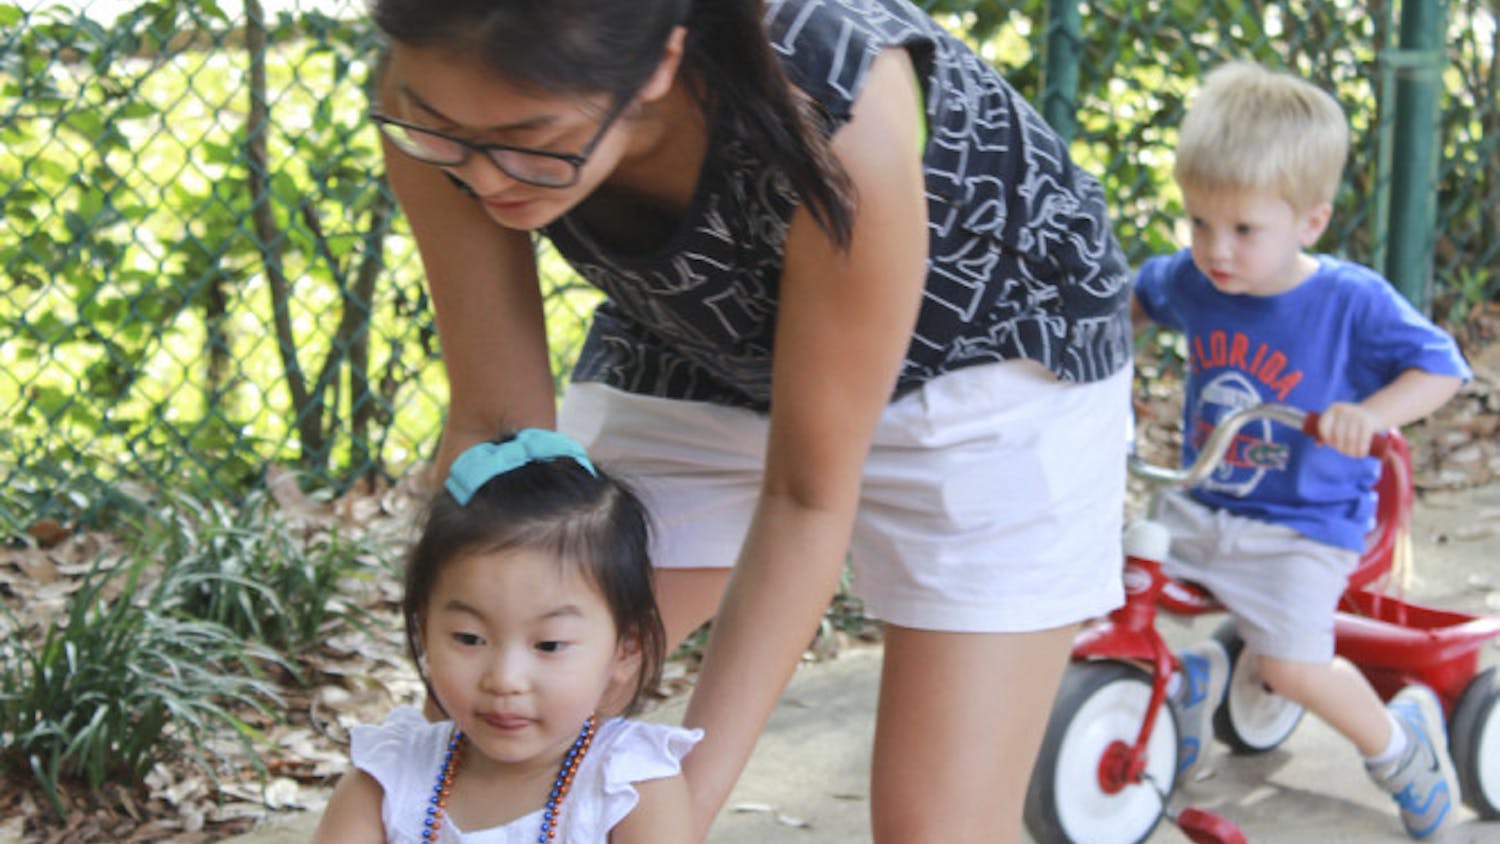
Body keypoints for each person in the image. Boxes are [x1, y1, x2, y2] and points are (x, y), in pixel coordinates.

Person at [368, 0, 1134, 839]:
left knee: (935, 829)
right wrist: (432, 795)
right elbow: (499, 430)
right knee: (541, 655)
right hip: (703, 340)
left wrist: (672, 818)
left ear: (661, 61)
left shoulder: (840, 104)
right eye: (446, 135)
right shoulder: (434, 93)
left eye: (533, 140)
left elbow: (806, 499)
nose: (483, 178)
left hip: (992, 350)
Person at [1131, 60, 1473, 840]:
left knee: (1291, 667)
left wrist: (1370, 414)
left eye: (1243, 230)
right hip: (1202, 500)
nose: (1215, 250)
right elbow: (1138, 299)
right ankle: (1185, 688)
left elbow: (1443, 368)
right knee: (1109, 582)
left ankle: (1400, 748)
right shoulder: (1196, 279)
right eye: (1198, 223)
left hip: (1304, 525)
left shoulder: (1349, 302)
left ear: (1310, 222)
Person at [312, 429, 702, 842]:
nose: (504, 679)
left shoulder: (630, 789)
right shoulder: (388, 781)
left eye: (549, 645)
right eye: (469, 638)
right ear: (425, 630)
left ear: (627, 648)